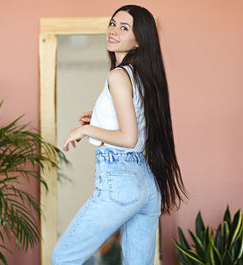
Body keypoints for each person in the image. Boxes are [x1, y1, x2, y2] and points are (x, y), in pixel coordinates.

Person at [51, 4, 188, 265]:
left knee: (62, 258)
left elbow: (129, 138)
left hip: (121, 180)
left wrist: (85, 129)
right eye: (113, 23)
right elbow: (136, 123)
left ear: (138, 41)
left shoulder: (117, 76)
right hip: (146, 184)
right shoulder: (144, 77)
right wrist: (99, 118)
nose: (113, 31)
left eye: (124, 28)